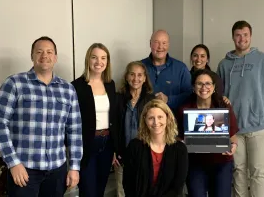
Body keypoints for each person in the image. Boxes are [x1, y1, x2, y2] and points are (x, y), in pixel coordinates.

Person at [0, 36, 82, 197]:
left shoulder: (68, 89)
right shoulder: (14, 83)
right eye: (39, 52)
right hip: (24, 170)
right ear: (32, 56)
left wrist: (74, 166)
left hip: (57, 170)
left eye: (49, 52)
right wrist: (13, 163)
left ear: (55, 57)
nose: (44, 56)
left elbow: (74, 130)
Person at [217, 20, 264, 197]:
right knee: (238, 172)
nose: (242, 38)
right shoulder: (224, 64)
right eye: (238, 35)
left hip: (260, 128)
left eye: (245, 35)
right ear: (233, 37)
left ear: (250, 36)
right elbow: (218, 96)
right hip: (234, 130)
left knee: (257, 175)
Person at [177, 69, 238, 197]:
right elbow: (177, 137)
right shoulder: (184, 109)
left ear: (214, 87)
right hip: (195, 164)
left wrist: (233, 146)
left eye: (208, 83)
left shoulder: (224, 106)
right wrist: (183, 143)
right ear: (193, 87)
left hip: (222, 163)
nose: (204, 87)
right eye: (199, 84)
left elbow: (233, 137)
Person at [71, 43, 117, 197]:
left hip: (107, 143)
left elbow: (114, 118)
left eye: (103, 58)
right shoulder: (76, 86)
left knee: (100, 189)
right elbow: (71, 121)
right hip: (87, 145)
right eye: (94, 57)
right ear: (88, 60)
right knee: (88, 191)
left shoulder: (110, 85)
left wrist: (115, 149)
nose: (99, 62)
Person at [123, 99, 188, 197]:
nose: (156, 122)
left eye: (160, 117)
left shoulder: (180, 149)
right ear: (144, 120)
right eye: (151, 118)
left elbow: (177, 187)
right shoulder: (134, 146)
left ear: (168, 118)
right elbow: (128, 183)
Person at [113, 61, 155, 197]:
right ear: (126, 77)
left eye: (139, 75)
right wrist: (113, 151)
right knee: (122, 192)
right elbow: (113, 126)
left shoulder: (150, 100)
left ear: (144, 78)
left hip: (145, 155)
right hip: (122, 156)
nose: (135, 79)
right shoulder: (117, 98)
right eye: (132, 74)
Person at [141, 30, 193, 111]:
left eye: (164, 43)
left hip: (173, 120)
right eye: (156, 42)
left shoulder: (181, 68)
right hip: (144, 119)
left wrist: (168, 100)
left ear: (168, 45)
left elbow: (190, 95)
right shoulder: (140, 67)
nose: (160, 47)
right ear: (150, 44)